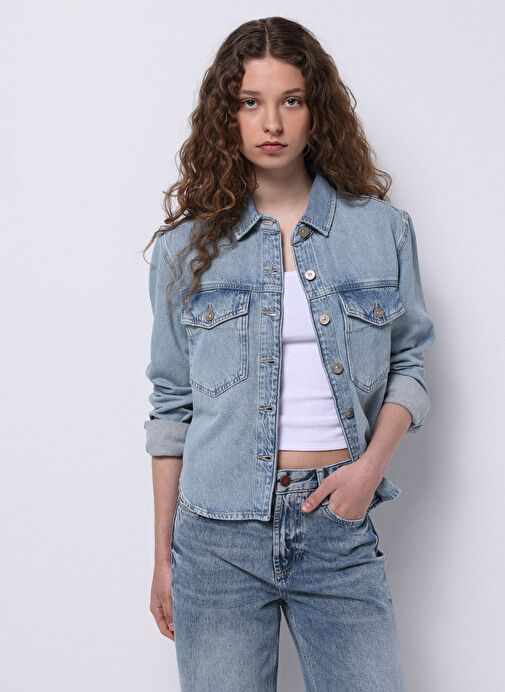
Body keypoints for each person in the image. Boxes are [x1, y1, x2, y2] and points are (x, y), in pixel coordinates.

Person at [142, 16, 436, 692]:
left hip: (336, 524)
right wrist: (162, 557)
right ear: (227, 115)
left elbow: (411, 365)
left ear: (316, 110)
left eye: (291, 100)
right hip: (216, 535)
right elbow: (170, 405)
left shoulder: (379, 229)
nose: (271, 122)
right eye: (250, 102)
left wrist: (367, 472)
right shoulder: (185, 249)